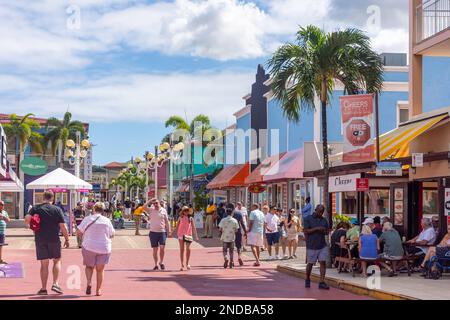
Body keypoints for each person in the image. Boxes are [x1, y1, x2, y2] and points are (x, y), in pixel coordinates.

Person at [24, 191, 70, 295]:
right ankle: (55, 283)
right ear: (52, 199)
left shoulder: (35, 208)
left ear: (43, 198)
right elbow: (63, 226)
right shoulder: (57, 209)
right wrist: (67, 239)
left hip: (40, 239)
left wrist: (30, 225)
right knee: (57, 260)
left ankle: (43, 289)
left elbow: (27, 219)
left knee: (44, 264)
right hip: (54, 239)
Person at [77, 202, 115, 296]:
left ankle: (89, 282)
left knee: (89, 266)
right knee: (100, 270)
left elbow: (79, 231)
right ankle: (98, 290)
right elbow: (112, 234)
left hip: (89, 246)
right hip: (104, 247)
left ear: (94, 209)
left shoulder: (87, 219)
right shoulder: (107, 220)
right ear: (102, 211)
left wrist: (83, 238)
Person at [303, 205, 330, 290]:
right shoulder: (308, 218)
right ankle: (307, 278)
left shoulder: (324, 220)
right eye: (319, 211)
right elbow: (306, 231)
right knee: (310, 263)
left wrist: (324, 230)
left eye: (322, 212)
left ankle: (321, 282)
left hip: (322, 245)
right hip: (312, 245)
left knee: (323, 262)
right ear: (315, 210)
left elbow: (327, 232)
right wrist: (317, 228)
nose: (320, 213)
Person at [144, 198, 171, 271]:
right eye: (154, 203)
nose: (155, 204)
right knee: (155, 250)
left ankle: (161, 262)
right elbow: (144, 207)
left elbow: (167, 221)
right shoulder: (151, 210)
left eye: (156, 203)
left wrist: (169, 231)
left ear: (159, 203)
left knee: (162, 248)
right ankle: (156, 264)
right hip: (153, 232)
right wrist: (150, 200)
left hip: (162, 232)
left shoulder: (163, 210)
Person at [172, 206, 199, 271]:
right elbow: (176, 226)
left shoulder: (191, 218)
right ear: (183, 211)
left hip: (188, 235)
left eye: (187, 210)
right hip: (181, 234)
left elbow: (193, 227)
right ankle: (182, 264)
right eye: (185, 210)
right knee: (182, 250)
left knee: (188, 249)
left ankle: (187, 263)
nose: (186, 211)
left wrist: (196, 236)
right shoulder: (180, 218)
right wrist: (171, 233)